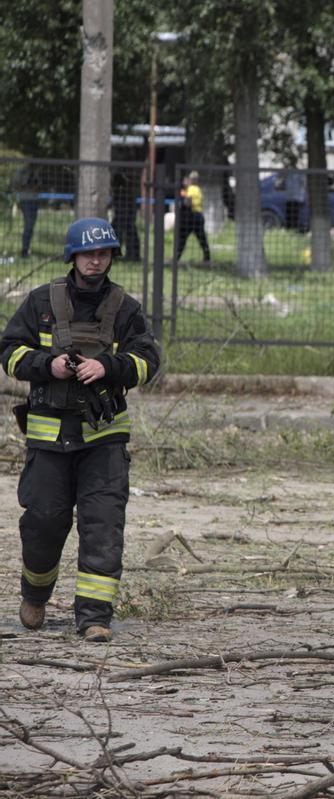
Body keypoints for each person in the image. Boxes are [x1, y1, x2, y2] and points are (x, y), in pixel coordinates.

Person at [1, 217, 160, 642]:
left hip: (104, 441)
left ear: (112, 257)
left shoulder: (125, 308)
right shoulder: (41, 302)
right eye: (89, 253)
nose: (96, 260)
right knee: (43, 523)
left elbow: (147, 360)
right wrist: (47, 365)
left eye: (104, 253)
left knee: (103, 526)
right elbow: (10, 351)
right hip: (49, 441)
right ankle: (34, 596)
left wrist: (107, 366)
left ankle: (94, 618)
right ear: (74, 257)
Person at [174, 170, 211, 263]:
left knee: (182, 238)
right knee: (202, 238)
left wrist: (182, 205)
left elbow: (188, 201)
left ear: (190, 180)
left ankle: (176, 258)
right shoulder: (198, 189)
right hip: (199, 216)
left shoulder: (191, 189)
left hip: (191, 216)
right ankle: (207, 257)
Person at [110, 171, 140, 262]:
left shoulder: (121, 191)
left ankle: (130, 255)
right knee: (128, 233)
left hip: (124, 216)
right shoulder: (126, 190)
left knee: (120, 233)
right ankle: (132, 255)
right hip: (126, 216)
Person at [13, 164, 41, 258]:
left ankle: (26, 249)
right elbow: (16, 186)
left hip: (35, 201)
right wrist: (25, 187)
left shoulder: (36, 172)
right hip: (25, 201)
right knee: (28, 226)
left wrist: (34, 187)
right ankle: (24, 250)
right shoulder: (20, 172)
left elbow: (40, 186)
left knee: (31, 227)